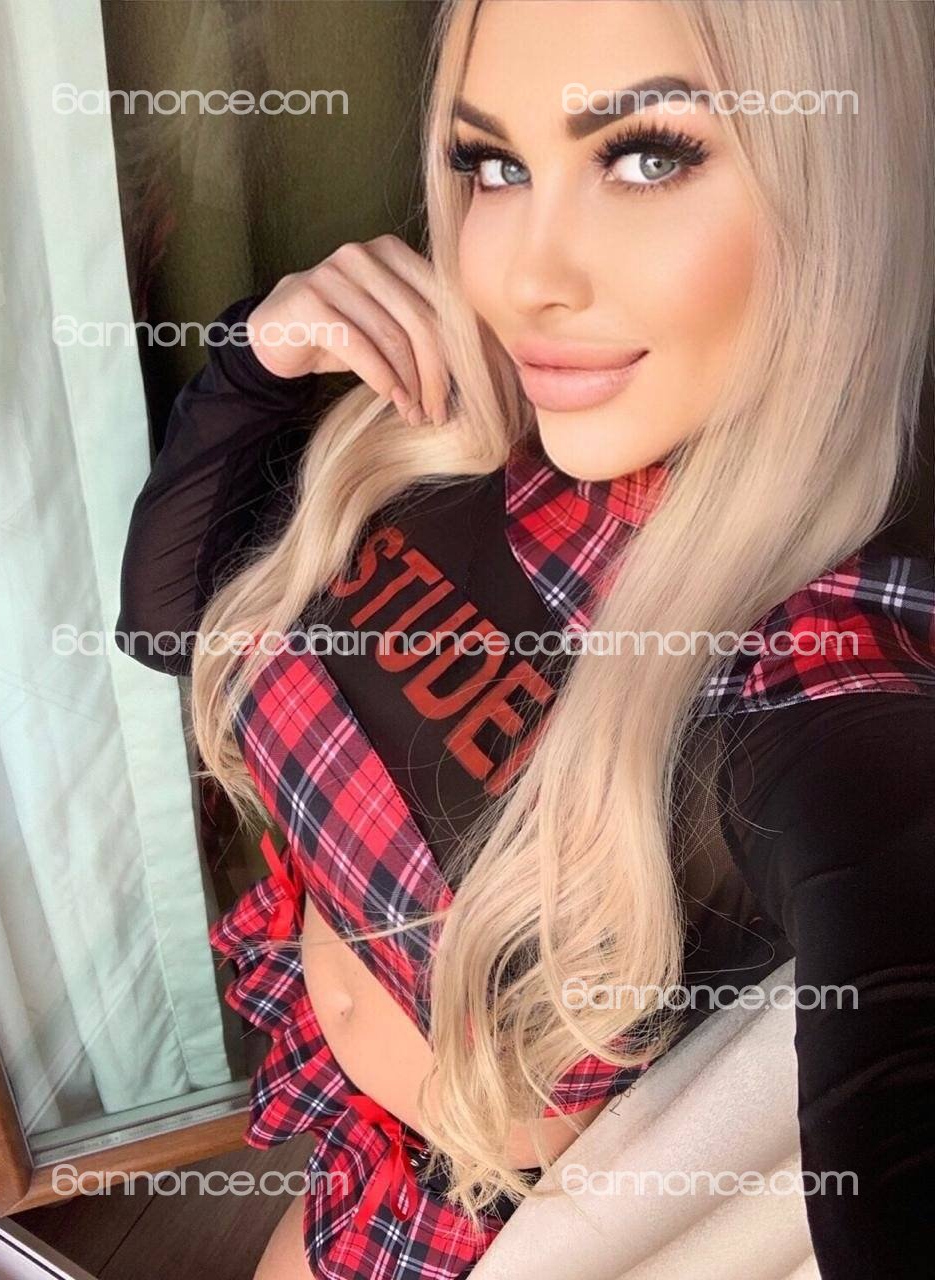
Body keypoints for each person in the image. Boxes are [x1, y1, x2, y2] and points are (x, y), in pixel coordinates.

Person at [115, 2, 935, 1277]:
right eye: (493, 163)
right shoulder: (454, 413)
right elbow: (169, 625)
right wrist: (258, 361)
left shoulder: (821, 663)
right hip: (354, 1152)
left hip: (468, 1234)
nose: (523, 278)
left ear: (839, 185)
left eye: (647, 156)